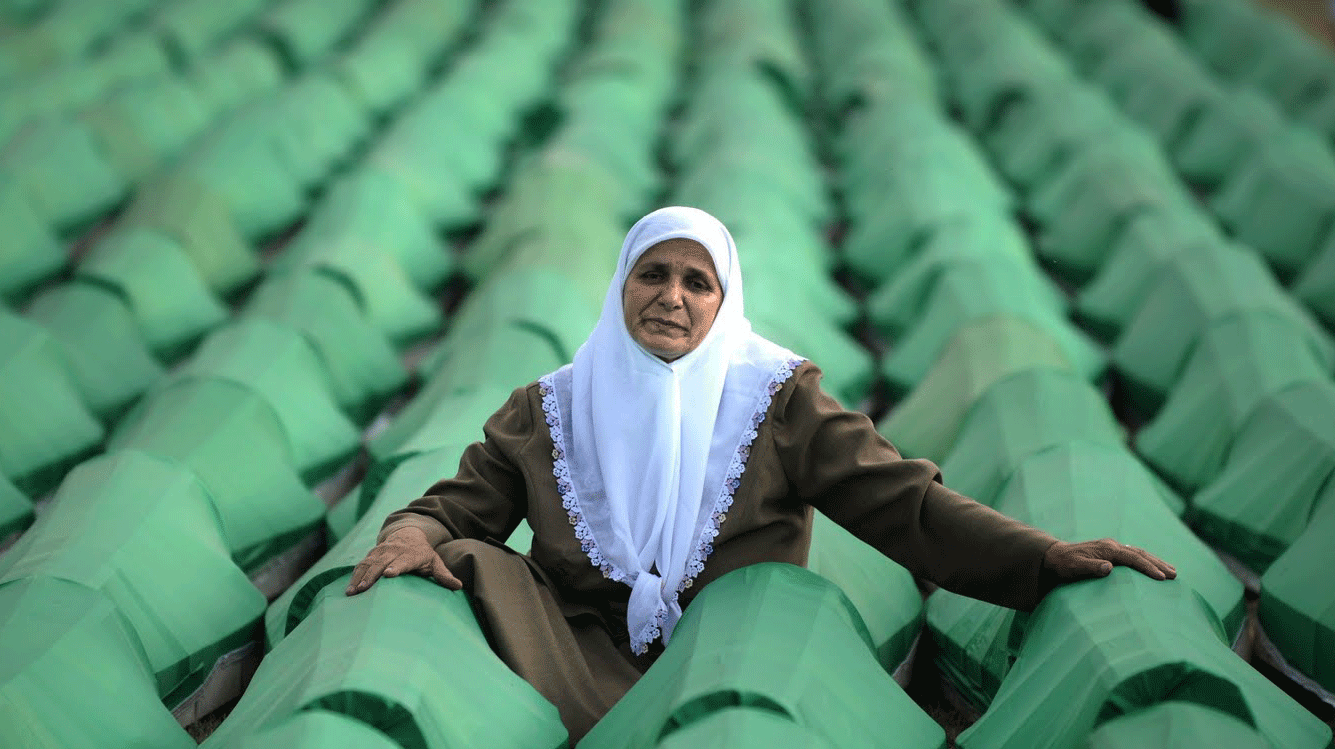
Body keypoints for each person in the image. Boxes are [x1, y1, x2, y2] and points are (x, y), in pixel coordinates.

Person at [345, 206, 1176, 741]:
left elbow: (903, 504)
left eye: (695, 282)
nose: (671, 296)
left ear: (722, 301)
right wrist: (409, 533)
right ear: (620, 286)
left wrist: (1039, 558)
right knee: (462, 561)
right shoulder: (551, 406)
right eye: (652, 274)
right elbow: (457, 507)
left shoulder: (775, 399)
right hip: (575, 648)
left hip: (731, 651)